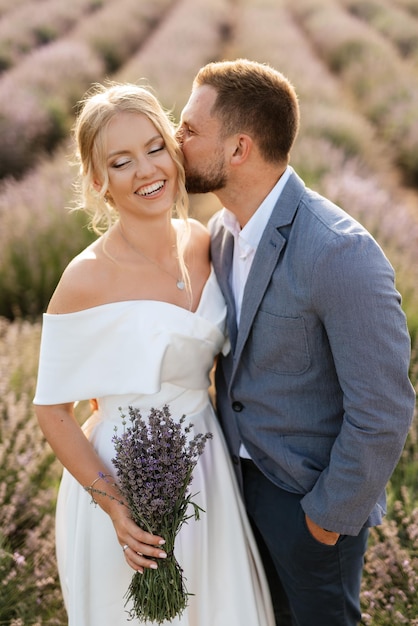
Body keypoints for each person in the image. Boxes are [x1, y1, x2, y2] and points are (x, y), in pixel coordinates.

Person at [177, 59, 416, 626]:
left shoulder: (340, 252)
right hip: (235, 491)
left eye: (189, 129)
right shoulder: (220, 233)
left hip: (308, 504)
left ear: (238, 149)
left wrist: (326, 518)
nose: (174, 139)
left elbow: (384, 408)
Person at [33, 82, 275, 626]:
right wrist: (118, 509)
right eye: (121, 162)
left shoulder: (205, 241)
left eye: (154, 148)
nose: (146, 171)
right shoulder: (85, 278)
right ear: (99, 182)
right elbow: (52, 411)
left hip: (205, 462)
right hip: (123, 480)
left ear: (174, 149)